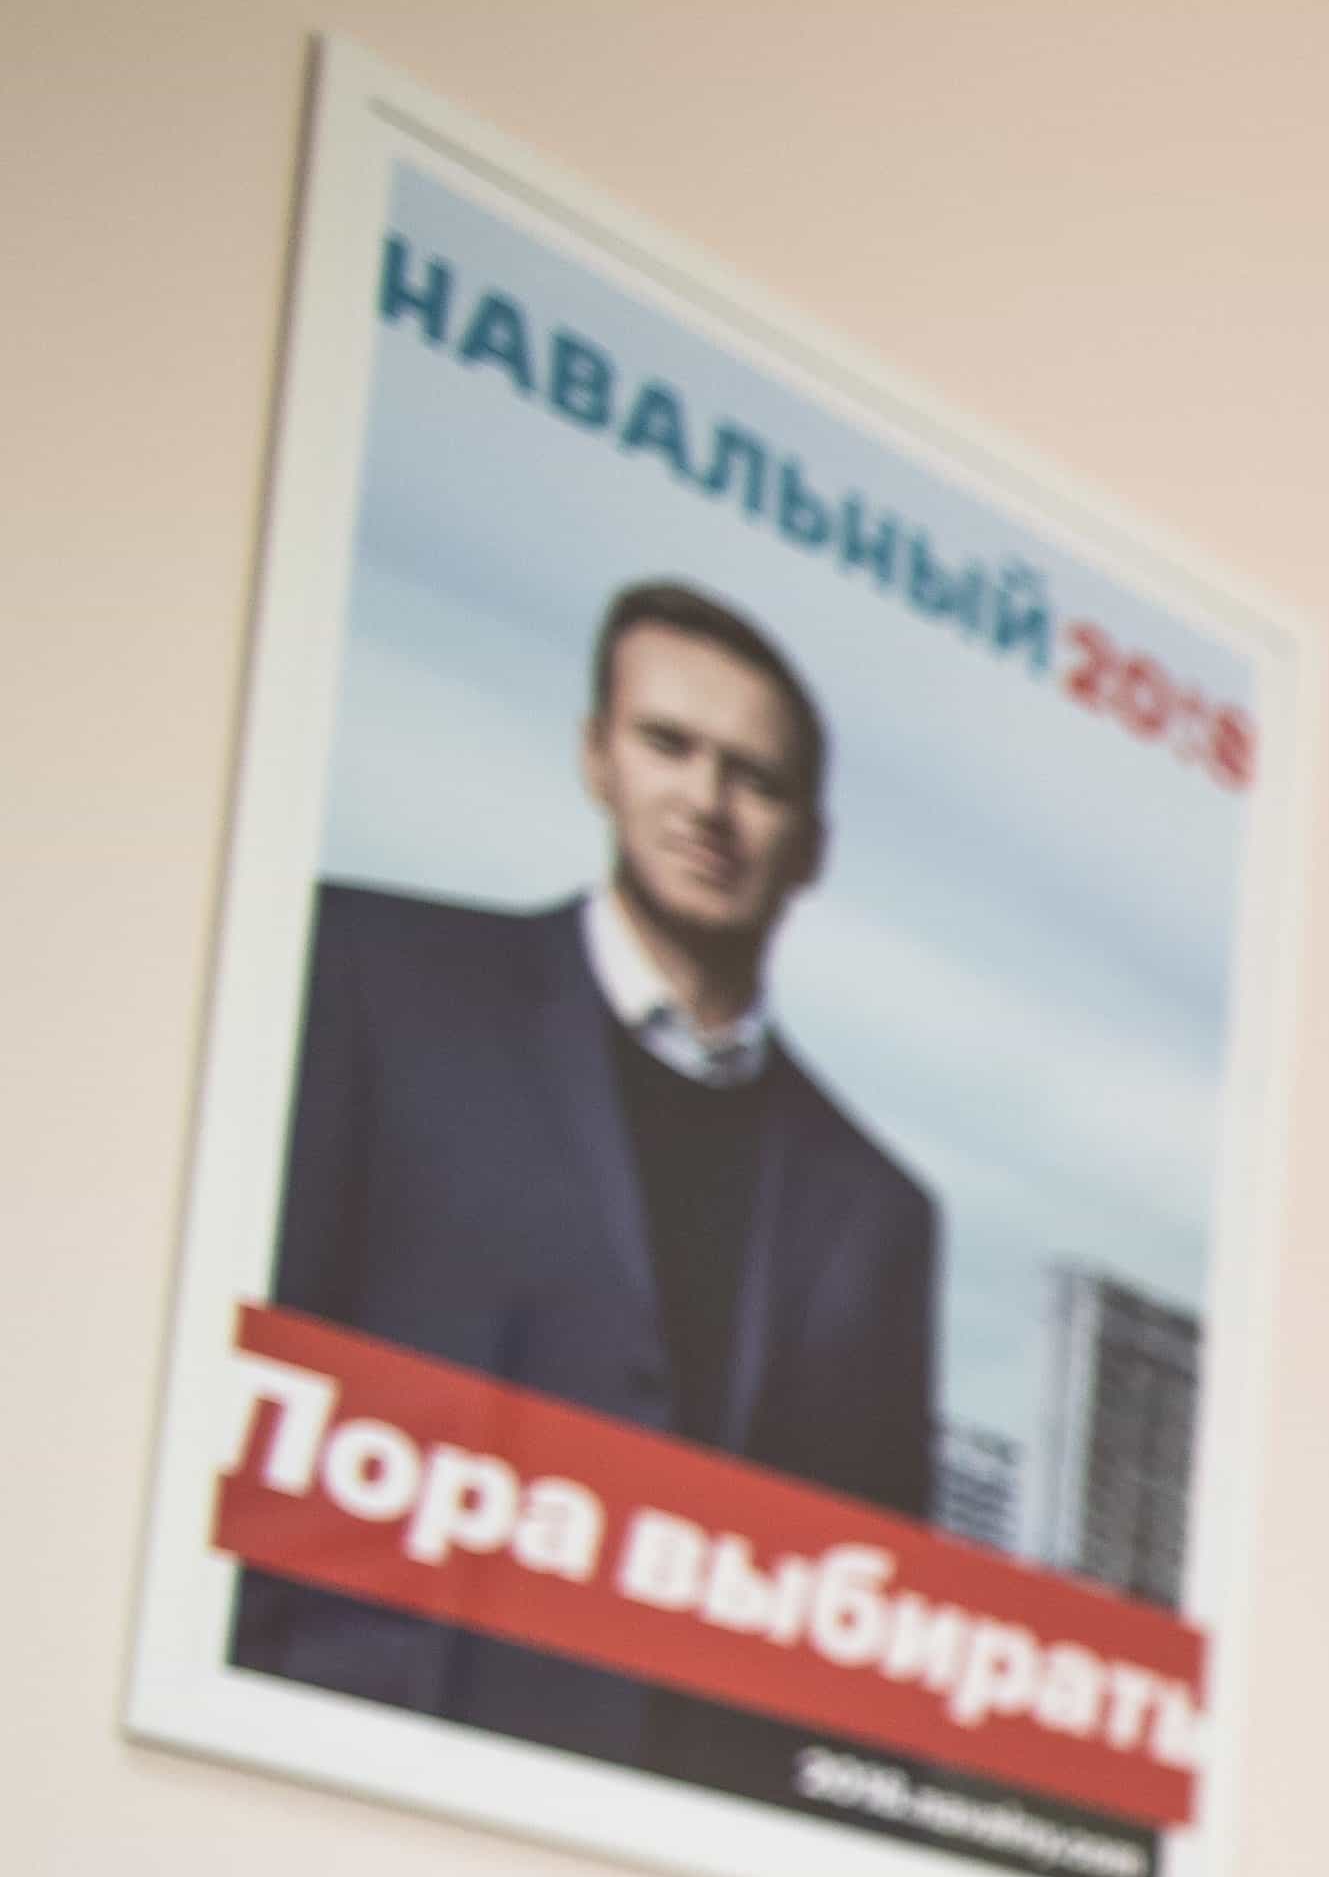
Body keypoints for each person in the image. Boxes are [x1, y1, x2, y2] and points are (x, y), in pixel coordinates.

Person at [245, 577, 942, 1758]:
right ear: (596, 756)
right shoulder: (377, 982)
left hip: (676, 1847)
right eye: (669, 744)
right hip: (348, 1760)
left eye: (756, 777)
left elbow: (858, 1638)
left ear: (810, 844)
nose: (706, 802)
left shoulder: (878, 1209)